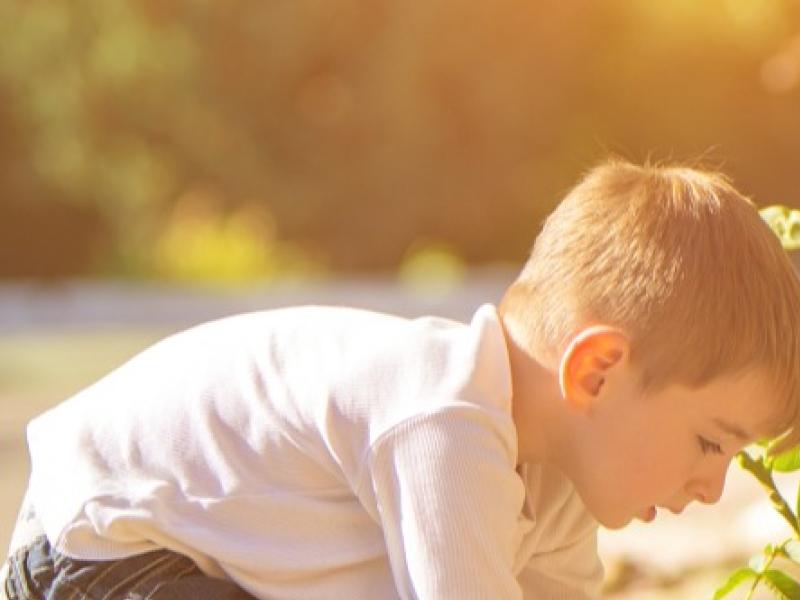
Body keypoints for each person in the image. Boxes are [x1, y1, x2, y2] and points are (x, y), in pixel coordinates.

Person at [3, 159, 800, 600]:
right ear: (596, 370)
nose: (711, 487)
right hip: (96, 557)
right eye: (710, 441)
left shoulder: (556, 490)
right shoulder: (444, 418)